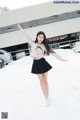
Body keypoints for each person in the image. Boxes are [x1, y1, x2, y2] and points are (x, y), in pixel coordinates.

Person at [17, 22, 67, 106]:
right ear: (37, 37)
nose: (41, 38)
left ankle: (48, 96)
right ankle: (46, 98)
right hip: (36, 63)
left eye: (42, 37)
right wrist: (20, 27)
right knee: (41, 81)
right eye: (39, 36)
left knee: (45, 80)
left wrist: (60, 58)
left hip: (43, 62)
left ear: (44, 38)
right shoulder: (32, 43)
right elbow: (25, 35)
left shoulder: (44, 46)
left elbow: (52, 52)